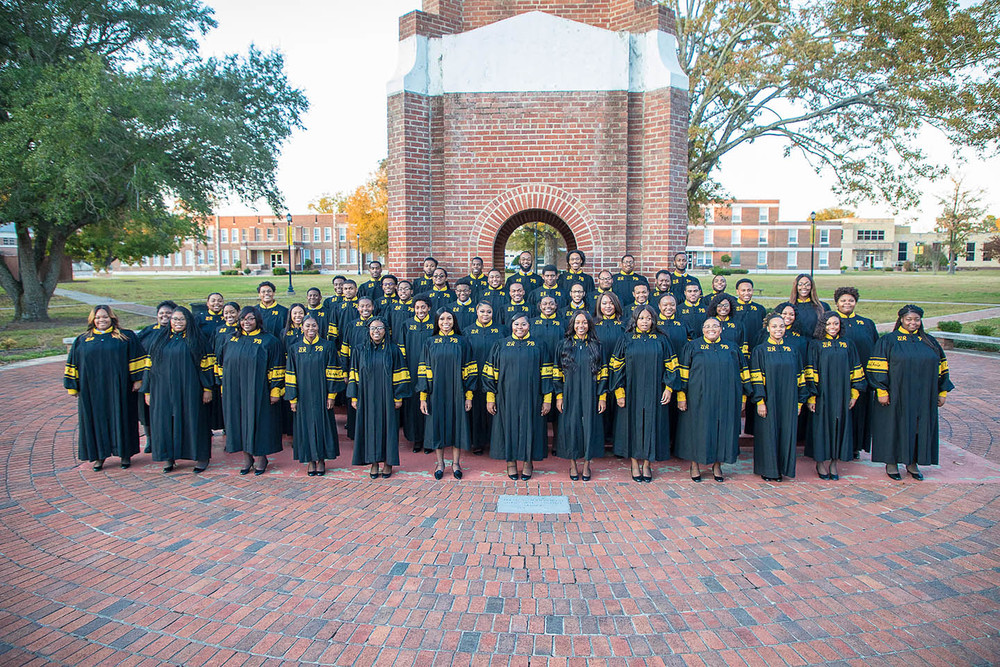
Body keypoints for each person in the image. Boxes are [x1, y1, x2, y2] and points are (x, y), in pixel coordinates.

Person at [867, 305, 954, 481]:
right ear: (901, 320)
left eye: (916, 319)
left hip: (923, 396)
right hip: (896, 394)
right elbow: (877, 368)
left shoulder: (929, 341)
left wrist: (942, 391)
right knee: (893, 427)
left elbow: (942, 367)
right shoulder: (889, 341)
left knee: (917, 428)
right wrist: (881, 389)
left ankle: (912, 463)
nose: (913, 322)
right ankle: (891, 462)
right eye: (909, 319)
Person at [64, 305, 147, 471]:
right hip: (92, 390)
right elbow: (73, 363)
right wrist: (72, 386)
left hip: (120, 387)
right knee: (95, 421)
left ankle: (125, 454)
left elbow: (138, 358)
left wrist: (138, 380)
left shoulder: (125, 336)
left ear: (112, 318)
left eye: (105, 317)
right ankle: (99, 456)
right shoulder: (83, 340)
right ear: (92, 320)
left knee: (122, 417)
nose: (101, 320)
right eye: (98, 317)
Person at [610, 305, 680, 483]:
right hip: (631, 390)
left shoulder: (662, 340)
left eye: (648, 318)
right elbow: (616, 367)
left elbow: (672, 366)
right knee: (632, 425)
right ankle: (634, 462)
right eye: (641, 318)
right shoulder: (626, 339)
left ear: (653, 320)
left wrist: (669, 388)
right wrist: (619, 391)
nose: (645, 322)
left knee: (651, 424)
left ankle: (647, 463)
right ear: (635, 320)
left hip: (655, 390)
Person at [676, 317, 750, 482]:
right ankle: (695, 465)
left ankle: (717, 465)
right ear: (702, 329)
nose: (711, 329)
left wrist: (744, 396)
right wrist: (682, 395)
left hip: (726, 398)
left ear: (721, 329)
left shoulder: (731, 348)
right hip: (698, 398)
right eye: (707, 326)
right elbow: (683, 373)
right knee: (697, 430)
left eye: (715, 326)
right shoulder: (692, 346)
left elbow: (743, 373)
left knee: (721, 431)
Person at [142, 306, 214, 473]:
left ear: (188, 321)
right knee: (166, 423)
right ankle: (169, 457)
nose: (177, 322)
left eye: (181, 319)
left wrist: (207, 388)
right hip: (163, 390)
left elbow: (206, 367)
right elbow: (149, 368)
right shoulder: (160, 340)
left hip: (191, 389)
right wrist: (148, 391)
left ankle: (201, 457)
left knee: (194, 421)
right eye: (174, 319)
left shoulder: (197, 340)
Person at [215, 306, 285, 476]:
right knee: (237, 423)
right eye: (243, 319)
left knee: (259, 423)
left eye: (251, 319)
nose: (247, 322)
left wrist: (275, 390)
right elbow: (220, 365)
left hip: (258, 391)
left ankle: (261, 456)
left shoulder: (269, 341)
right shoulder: (229, 339)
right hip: (234, 391)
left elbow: (277, 367)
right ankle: (246, 457)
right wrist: (223, 387)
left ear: (258, 320)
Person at [483, 313, 552, 480]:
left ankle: (528, 462)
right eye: (516, 325)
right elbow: (489, 373)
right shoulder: (501, 344)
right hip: (506, 395)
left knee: (531, 427)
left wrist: (547, 399)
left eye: (523, 325)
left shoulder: (539, 345)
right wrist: (491, 398)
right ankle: (511, 463)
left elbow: (547, 374)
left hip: (532, 395)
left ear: (529, 326)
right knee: (508, 427)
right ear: (511, 326)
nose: (519, 328)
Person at [347, 317, 411, 478]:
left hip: (387, 396)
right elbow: (354, 374)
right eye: (373, 328)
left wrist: (398, 396)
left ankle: (388, 462)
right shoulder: (359, 350)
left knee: (388, 428)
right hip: (366, 396)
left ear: (386, 330)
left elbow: (400, 373)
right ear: (368, 331)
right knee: (369, 429)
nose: (376, 332)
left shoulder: (393, 350)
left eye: (380, 328)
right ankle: (374, 462)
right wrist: (354, 397)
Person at [749, 312, 810, 481]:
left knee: (787, 433)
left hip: (789, 400)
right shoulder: (760, 350)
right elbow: (756, 378)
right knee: (768, 434)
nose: (778, 329)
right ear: (768, 328)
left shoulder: (792, 350)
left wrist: (799, 403)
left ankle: (784, 468)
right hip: (768, 400)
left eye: (781, 326)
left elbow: (800, 377)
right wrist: (760, 401)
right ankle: (768, 470)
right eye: (774, 326)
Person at [807, 312, 866, 480]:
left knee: (840, 427)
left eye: (836, 324)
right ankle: (820, 462)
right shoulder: (816, 344)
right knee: (821, 428)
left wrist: (854, 394)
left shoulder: (848, 344)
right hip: (823, 394)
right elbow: (811, 370)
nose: (832, 327)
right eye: (829, 324)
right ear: (822, 326)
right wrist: (812, 396)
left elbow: (856, 368)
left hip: (842, 393)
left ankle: (834, 462)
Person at [418, 309, 476, 480]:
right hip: (436, 392)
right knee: (438, 426)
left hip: (457, 392)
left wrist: (469, 396)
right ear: (436, 321)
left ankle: (456, 463)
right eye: (442, 319)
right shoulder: (430, 342)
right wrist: (423, 397)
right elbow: (424, 370)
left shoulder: (462, 342)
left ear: (454, 321)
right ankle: (440, 463)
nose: (445, 322)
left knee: (456, 427)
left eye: (449, 318)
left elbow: (470, 370)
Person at [285, 316, 343, 476]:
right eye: (307, 325)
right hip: (303, 396)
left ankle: (322, 459)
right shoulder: (295, 348)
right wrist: (292, 398)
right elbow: (291, 374)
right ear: (301, 328)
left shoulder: (327, 346)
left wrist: (331, 395)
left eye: (314, 325)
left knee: (323, 425)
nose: (311, 328)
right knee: (305, 427)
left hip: (322, 394)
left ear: (318, 327)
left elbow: (333, 371)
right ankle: (310, 460)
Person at [554, 312, 607, 480]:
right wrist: (559, 396)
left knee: (590, 426)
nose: (581, 326)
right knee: (571, 426)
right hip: (570, 391)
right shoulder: (563, 345)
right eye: (577, 323)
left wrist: (602, 397)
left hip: (591, 391)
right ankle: (572, 464)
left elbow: (604, 373)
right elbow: (556, 372)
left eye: (584, 322)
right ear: (572, 325)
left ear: (589, 325)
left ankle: (586, 464)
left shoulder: (597, 346)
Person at [833, 286, 878, 457]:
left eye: (850, 300)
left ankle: (855, 446)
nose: (847, 303)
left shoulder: (866, 323)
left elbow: (875, 348)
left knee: (859, 412)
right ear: (837, 303)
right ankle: (838, 446)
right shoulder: (832, 323)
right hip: (839, 376)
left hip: (861, 377)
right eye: (843, 300)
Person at [465, 302, 505, 454]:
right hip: (475, 375)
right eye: (482, 311)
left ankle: (495, 441)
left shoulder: (501, 330)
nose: (485, 314)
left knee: (495, 408)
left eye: (489, 311)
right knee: (477, 409)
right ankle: (478, 442)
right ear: (476, 311)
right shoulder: (468, 331)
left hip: (495, 376)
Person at [137, 300, 176, 452]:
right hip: (148, 377)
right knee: (146, 410)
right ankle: (150, 439)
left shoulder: (179, 333)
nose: (164, 316)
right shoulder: (147, 332)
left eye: (168, 313)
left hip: (168, 379)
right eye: (162, 313)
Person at [397, 297, 435, 452]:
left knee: (430, 404)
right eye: (417, 307)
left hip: (431, 370)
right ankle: (416, 439)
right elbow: (402, 349)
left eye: (423, 307)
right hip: (412, 370)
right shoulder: (407, 324)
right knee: (414, 405)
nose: (420, 310)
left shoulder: (434, 324)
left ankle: (429, 439)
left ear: (429, 308)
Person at [593, 292, 625, 446]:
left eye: (611, 303)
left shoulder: (624, 325)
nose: (608, 306)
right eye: (604, 303)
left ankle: (617, 441)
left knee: (617, 406)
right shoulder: (592, 325)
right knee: (600, 404)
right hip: (598, 371)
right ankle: (600, 441)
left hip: (619, 372)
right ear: (599, 305)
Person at [790, 273, 831, 343]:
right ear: (796, 286)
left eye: (807, 284)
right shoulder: (789, 307)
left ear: (812, 287)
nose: (804, 287)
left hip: (816, 345)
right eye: (800, 284)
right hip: (796, 345)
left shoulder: (823, 307)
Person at [733, 278, 767, 345]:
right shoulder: (732, 308)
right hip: (737, 344)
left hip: (755, 345)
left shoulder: (760, 308)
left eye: (749, 290)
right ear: (737, 291)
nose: (746, 293)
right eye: (743, 290)